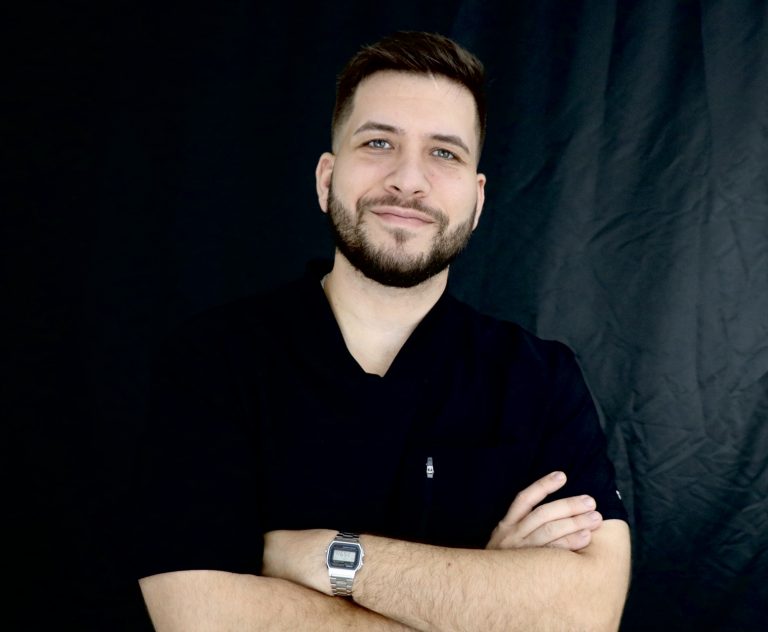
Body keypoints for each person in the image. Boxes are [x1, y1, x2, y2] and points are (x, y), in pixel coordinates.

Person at [133, 30, 631, 631]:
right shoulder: (212, 360)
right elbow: (197, 616)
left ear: (477, 201)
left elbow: (587, 614)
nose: (408, 180)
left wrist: (322, 557)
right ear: (326, 179)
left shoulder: (540, 380)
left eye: (444, 153)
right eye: (378, 143)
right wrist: (484, 599)